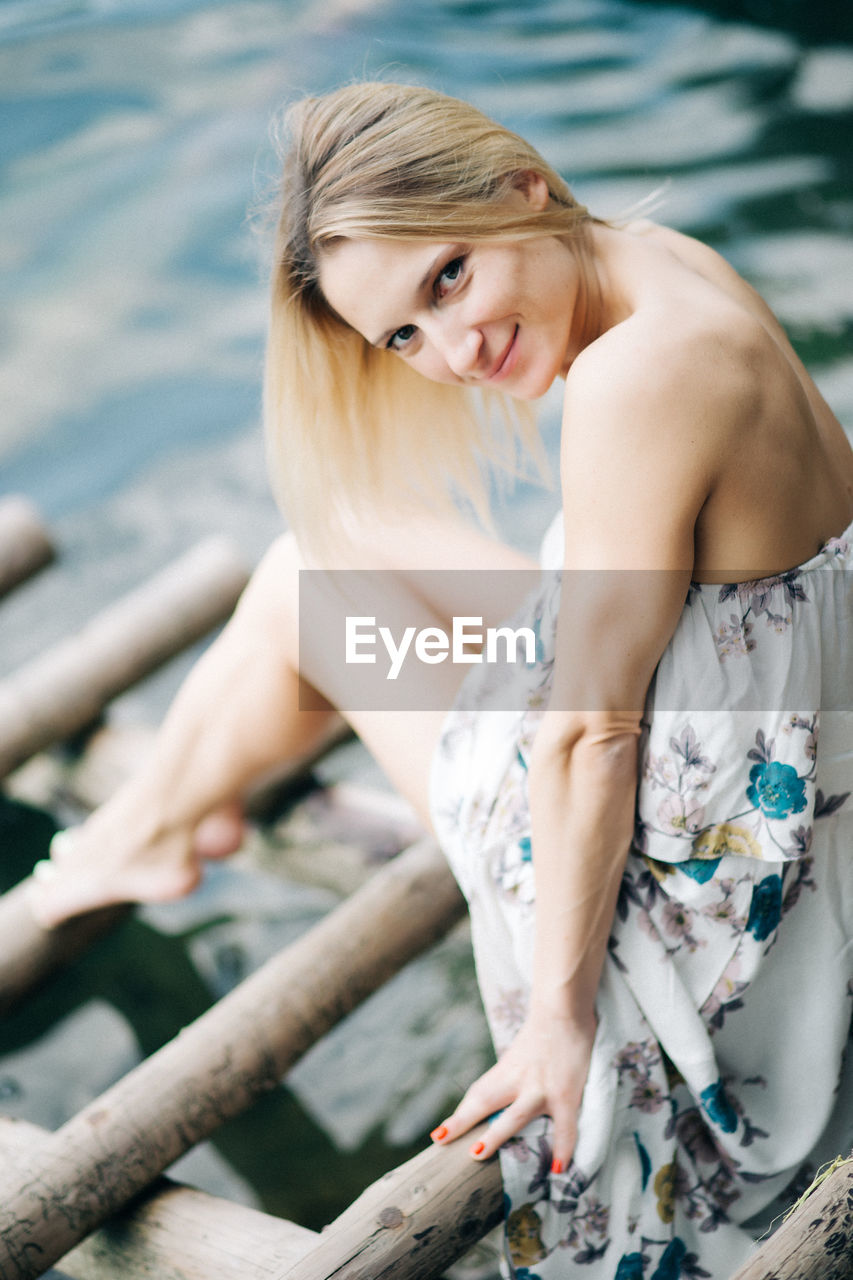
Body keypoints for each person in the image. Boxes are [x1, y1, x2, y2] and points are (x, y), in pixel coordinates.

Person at [28, 83, 853, 1278]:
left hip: (694, 894)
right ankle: (153, 823)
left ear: (520, 184)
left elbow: (588, 740)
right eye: (403, 337)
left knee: (305, 600)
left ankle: (138, 836)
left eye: (449, 276)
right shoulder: (666, 260)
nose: (452, 353)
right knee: (328, 551)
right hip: (760, 747)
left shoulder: (634, 381)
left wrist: (561, 1015)